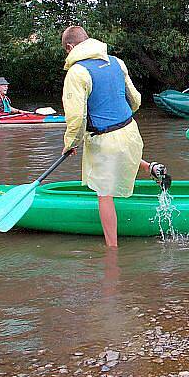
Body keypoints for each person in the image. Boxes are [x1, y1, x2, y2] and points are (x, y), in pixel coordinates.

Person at [60, 26, 167, 248]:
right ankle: (150, 168)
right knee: (121, 154)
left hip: (105, 138)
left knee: (104, 195)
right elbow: (135, 99)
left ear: (70, 47)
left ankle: (112, 249)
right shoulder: (116, 62)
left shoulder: (77, 72)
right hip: (130, 130)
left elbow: (76, 117)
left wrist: (70, 144)